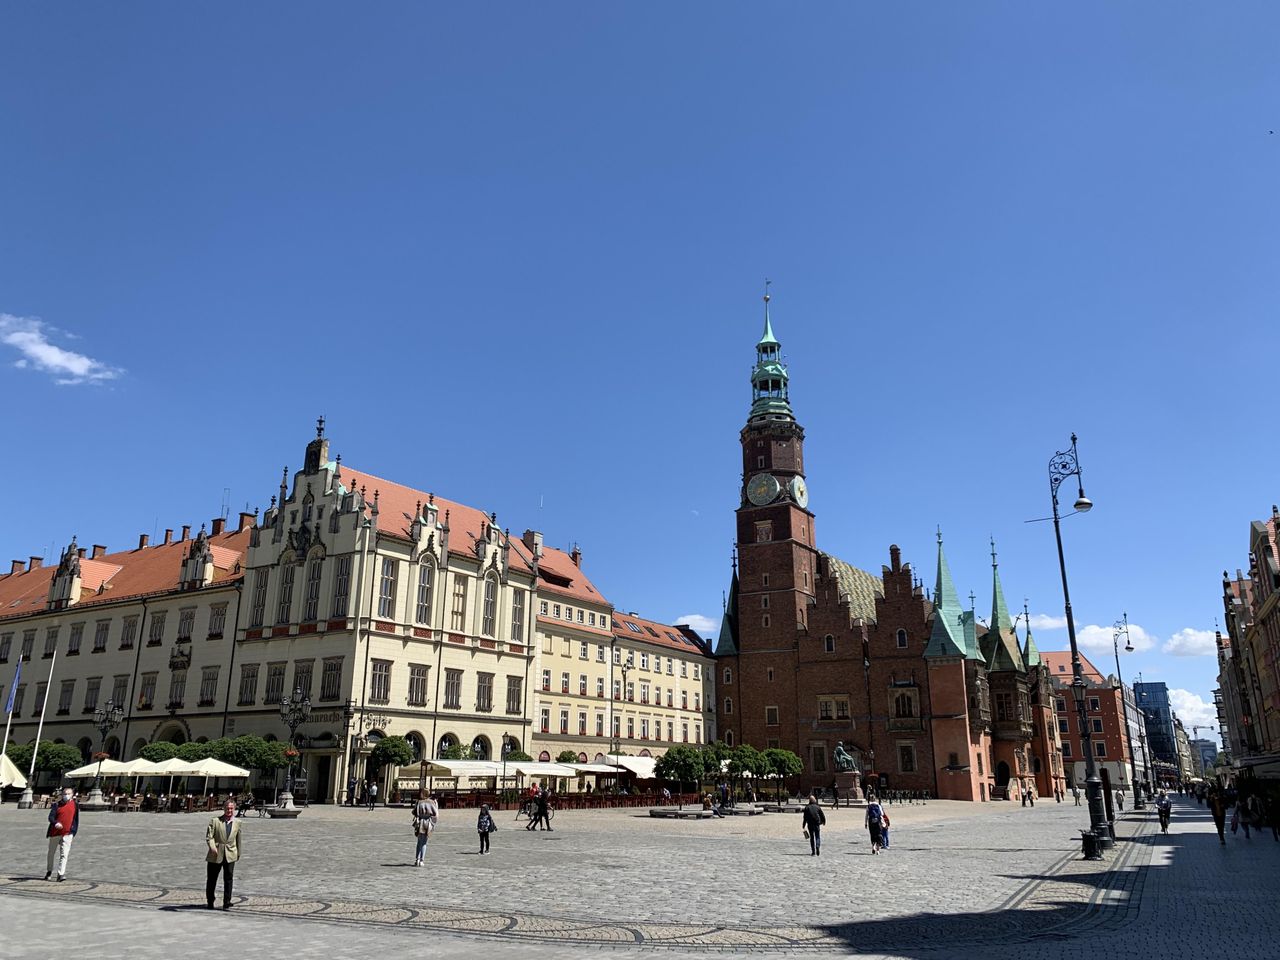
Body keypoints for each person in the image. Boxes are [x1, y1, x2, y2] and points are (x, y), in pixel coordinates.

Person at [205, 799, 242, 910]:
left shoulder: (238, 822)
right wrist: (212, 847)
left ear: (234, 809)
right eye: (227, 808)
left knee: (229, 878)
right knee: (212, 879)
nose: (229, 810)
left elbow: (238, 839)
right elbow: (209, 836)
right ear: (224, 808)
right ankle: (210, 900)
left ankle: (227, 901)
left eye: (231, 808)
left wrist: (238, 853)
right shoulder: (215, 821)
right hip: (216, 853)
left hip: (230, 854)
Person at [45, 787, 80, 882]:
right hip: (55, 833)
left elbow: (76, 819)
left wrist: (73, 831)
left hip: (68, 833)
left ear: (72, 794)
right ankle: (49, 871)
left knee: (64, 854)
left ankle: (61, 874)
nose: (66, 795)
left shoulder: (75, 805)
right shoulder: (57, 805)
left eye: (68, 793)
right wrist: (55, 823)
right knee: (51, 853)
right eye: (65, 794)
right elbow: (51, 817)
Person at [413, 793, 438, 866]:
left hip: (420, 822)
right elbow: (435, 814)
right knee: (424, 842)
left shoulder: (419, 802)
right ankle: (421, 860)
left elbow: (414, 812)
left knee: (419, 842)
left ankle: (417, 859)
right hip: (428, 823)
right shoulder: (432, 802)